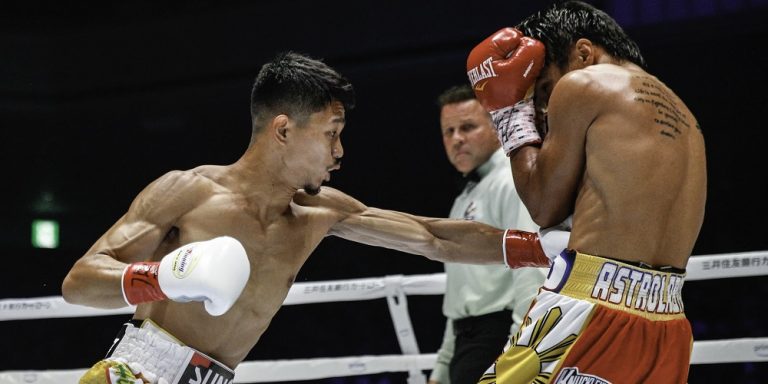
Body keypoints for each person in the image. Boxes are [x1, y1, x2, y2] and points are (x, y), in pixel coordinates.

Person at [62, 51, 555, 384]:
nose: (339, 151)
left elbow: (432, 237)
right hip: (137, 373)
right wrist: (160, 277)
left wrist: (546, 249)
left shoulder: (319, 211)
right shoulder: (189, 192)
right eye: (330, 133)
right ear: (283, 130)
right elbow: (80, 282)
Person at [466, 1, 706, 383]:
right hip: (668, 325)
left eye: (544, 88)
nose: (543, 106)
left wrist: (511, 114)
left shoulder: (584, 83)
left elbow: (543, 206)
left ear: (582, 52)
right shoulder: (686, 117)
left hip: (591, 305)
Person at [428, 85, 545, 384]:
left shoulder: (511, 182)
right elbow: (461, 297)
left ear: (495, 128)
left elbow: (531, 272)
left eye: (467, 127)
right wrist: (441, 370)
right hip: (469, 345)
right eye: (448, 131)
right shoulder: (464, 198)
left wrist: (519, 352)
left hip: (498, 339)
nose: (457, 139)